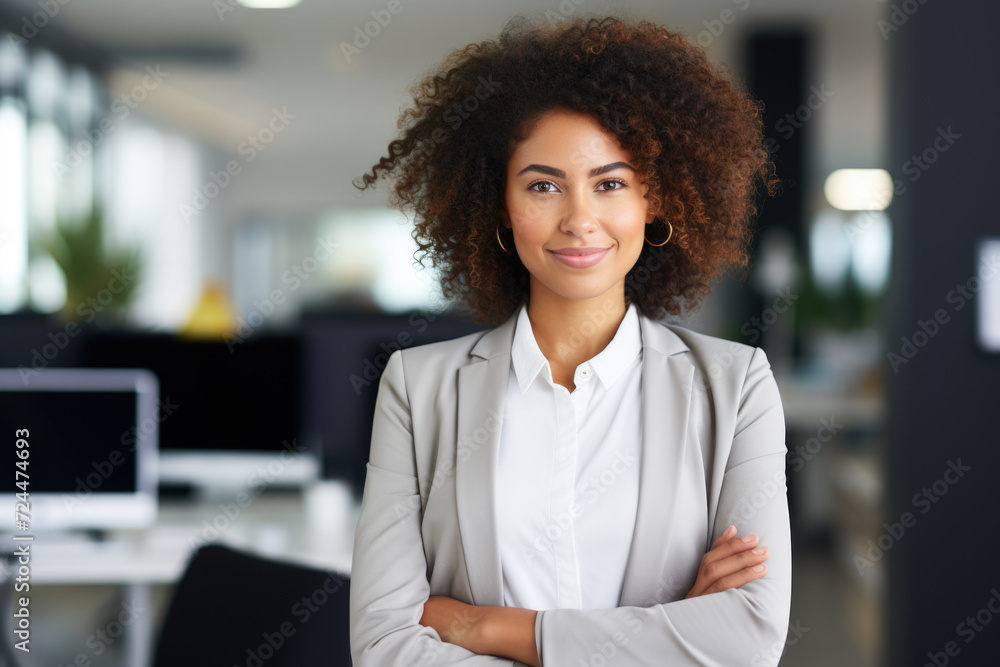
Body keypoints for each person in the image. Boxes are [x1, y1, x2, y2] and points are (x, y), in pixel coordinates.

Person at [349, 14, 790, 667]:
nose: (579, 219)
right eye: (543, 185)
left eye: (609, 183)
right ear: (499, 204)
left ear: (654, 199)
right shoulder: (419, 390)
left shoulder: (735, 385)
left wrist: (488, 627)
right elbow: (384, 645)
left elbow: (750, 635)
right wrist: (660, 637)